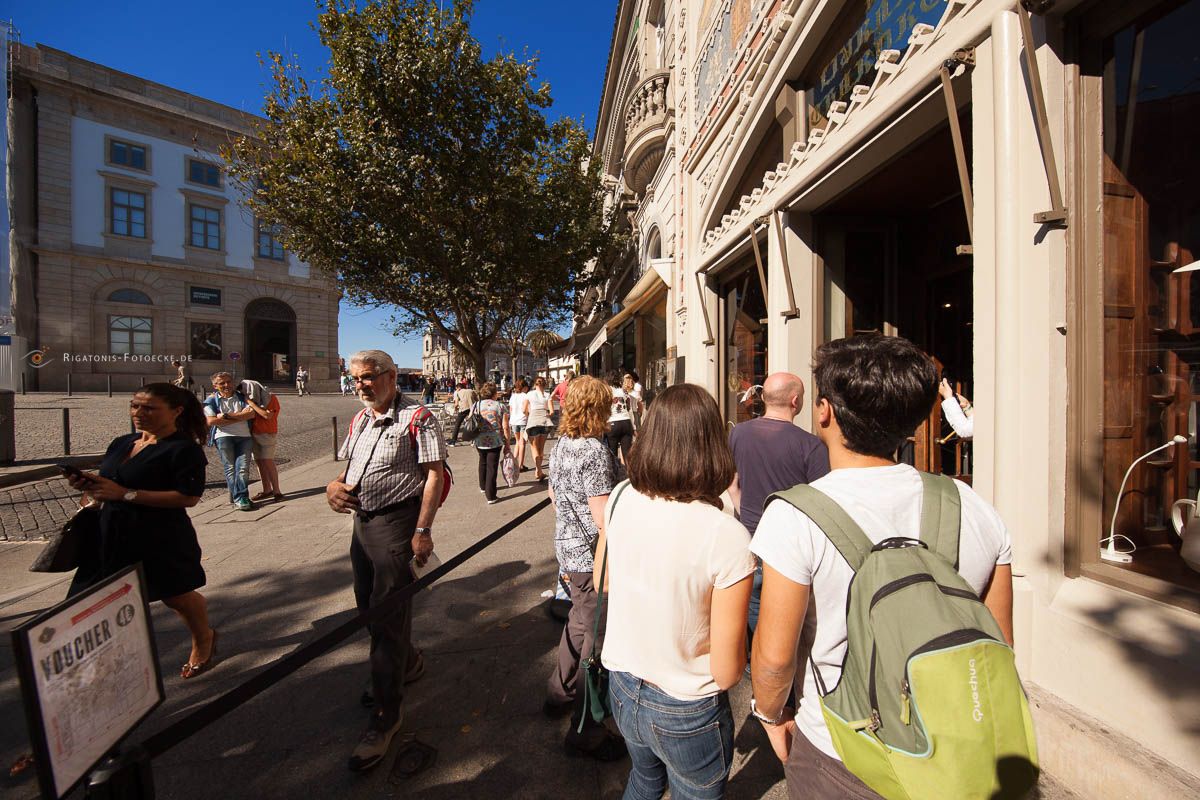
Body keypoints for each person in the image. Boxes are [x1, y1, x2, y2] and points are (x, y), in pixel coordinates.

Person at [749, 335, 1013, 800]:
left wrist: (771, 715)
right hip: (949, 745)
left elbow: (774, 659)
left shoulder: (795, 516)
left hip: (841, 750)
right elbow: (1000, 644)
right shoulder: (973, 507)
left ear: (824, 412)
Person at [598, 384, 756, 798]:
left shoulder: (620, 497)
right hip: (687, 705)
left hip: (623, 681)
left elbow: (605, 579)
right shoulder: (727, 535)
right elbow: (727, 671)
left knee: (644, 780)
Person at [326, 349, 446, 772]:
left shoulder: (418, 418)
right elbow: (348, 469)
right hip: (362, 524)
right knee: (368, 610)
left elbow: (434, 473)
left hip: (395, 527)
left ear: (392, 376)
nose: (361, 384)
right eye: (356, 378)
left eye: (369, 377)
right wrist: (333, 487)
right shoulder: (359, 418)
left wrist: (422, 530)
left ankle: (386, 715)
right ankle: (407, 664)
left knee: (387, 618)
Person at [64, 383, 216, 679]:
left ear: (176, 411)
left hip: (159, 537)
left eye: (148, 408)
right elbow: (111, 481)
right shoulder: (122, 443)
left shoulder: (183, 449)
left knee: (176, 596)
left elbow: (189, 497)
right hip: (109, 534)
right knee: (86, 601)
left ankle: (204, 638)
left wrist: (126, 494)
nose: (138, 412)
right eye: (135, 405)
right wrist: (92, 488)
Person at [544, 375, 624, 760]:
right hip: (592, 558)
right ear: (598, 407)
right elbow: (602, 518)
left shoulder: (562, 443)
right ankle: (586, 729)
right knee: (597, 637)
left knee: (578, 620)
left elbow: (554, 497)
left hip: (567, 550)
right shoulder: (593, 450)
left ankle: (559, 691)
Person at [728, 372, 830, 636]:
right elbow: (822, 504)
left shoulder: (738, 434)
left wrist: (746, 513)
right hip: (792, 546)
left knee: (754, 606)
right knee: (790, 618)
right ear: (796, 401)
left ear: (762, 397)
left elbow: (731, 484)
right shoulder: (811, 446)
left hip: (752, 539)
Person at [203, 372, 257, 511]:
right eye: (222, 383)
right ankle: (240, 497)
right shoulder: (211, 401)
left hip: (244, 436)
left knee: (243, 468)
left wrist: (226, 416)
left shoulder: (242, 397)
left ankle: (239, 497)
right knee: (231, 468)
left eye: (228, 382)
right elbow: (212, 420)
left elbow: (251, 414)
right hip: (223, 437)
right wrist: (240, 416)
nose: (226, 385)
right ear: (215, 386)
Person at [243, 381, 284, 503]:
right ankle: (267, 489)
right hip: (253, 432)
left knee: (267, 460)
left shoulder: (270, 397)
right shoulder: (250, 398)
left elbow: (267, 415)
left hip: (267, 432)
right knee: (259, 462)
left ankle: (277, 491)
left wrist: (251, 404)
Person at [473, 382, 511, 504]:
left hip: (479, 438)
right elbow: (505, 427)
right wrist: (508, 443)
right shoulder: (500, 406)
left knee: (482, 461)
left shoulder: (476, 405)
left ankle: (483, 486)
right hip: (495, 439)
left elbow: (470, 420)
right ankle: (491, 495)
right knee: (491, 466)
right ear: (494, 393)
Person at [523, 376, 555, 481]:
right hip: (544, 421)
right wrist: (546, 415)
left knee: (534, 447)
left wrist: (529, 415)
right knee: (541, 448)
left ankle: (538, 469)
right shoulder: (547, 395)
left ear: (534, 384)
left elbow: (524, 410)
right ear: (544, 385)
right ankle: (539, 471)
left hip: (533, 421)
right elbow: (552, 411)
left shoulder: (529, 394)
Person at [605, 370, 636, 470]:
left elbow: (605, 409)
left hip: (613, 422)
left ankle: (615, 477)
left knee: (613, 453)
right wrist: (634, 427)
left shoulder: (607, 391)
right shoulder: (624, 391)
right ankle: (629, 477)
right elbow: (629, 409)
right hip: (626, 422)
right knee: (627, 454)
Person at [509, 378, 530, 473]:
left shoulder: (513, 396)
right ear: (524, 387)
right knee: (522, 443)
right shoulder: (526, 396)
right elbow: (526, 410)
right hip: (522, 421)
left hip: (514, 421)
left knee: (517, 442)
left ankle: (514, 463)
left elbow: (511, 409)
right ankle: (520, 465)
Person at [448, 381, 479, 446]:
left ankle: (453, 441)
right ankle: (474, 441)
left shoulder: (457, 392)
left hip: (463, 409)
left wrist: (455, 408)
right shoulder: (471, 391)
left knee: (457, 424)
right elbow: (477, 400)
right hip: (472, 408)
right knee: (473, 424)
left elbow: (456, 403)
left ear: (458, 388)